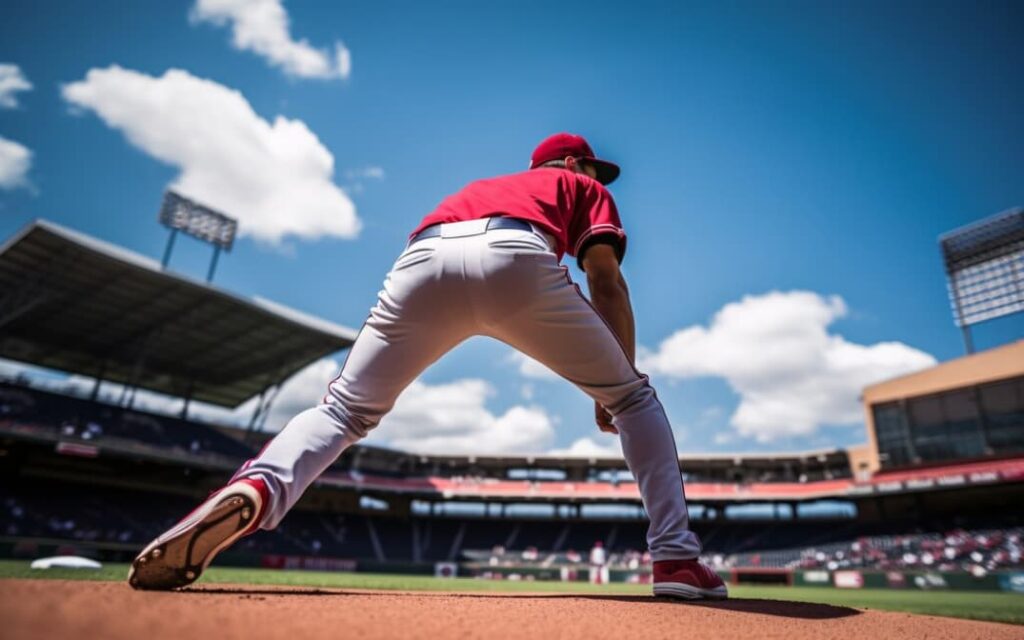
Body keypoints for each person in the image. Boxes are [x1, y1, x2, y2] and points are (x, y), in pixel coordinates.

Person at [128, 133, 727, 600]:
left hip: (424, 255)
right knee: (635, 400)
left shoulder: (482, 183)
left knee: (342, 409)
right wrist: (612, 383)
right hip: (515, 253)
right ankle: (675, 555)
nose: (599, 177)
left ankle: (256, 484)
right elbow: (606, 280)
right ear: (573, 167)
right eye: (594, 168)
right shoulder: (580, 187)